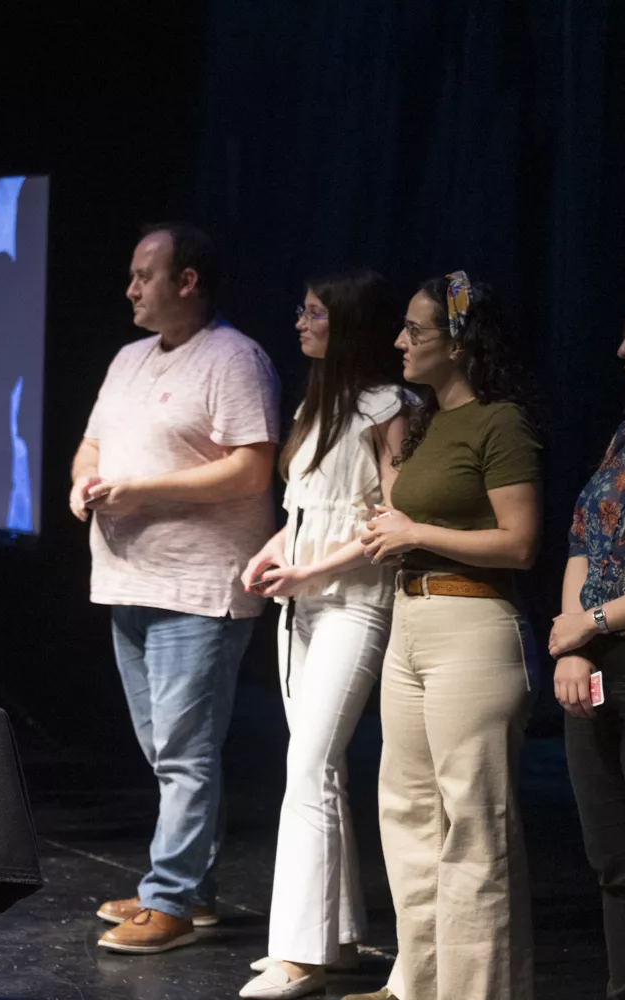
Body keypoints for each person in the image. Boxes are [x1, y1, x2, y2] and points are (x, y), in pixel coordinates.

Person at [77, 222, 279, 956]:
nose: (130, 289)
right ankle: (189, 890)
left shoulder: (234, 358)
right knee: (165, 750)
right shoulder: (129, 357)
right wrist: (83, 482)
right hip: (127, 579)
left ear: (186, 281)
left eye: (144, 275)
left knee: (185, 752)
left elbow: (252, 469)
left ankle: (169, 898)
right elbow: (93, 443)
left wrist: (144, 491)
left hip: (199, 586)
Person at [356, 272, 542, 1000]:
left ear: (458, 344)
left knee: (475, 827)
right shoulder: (429, 422)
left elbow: (520, 543)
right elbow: (411, 515)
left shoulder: (502, 423)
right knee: (406, 814)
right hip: (410, 620)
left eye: (415, 330)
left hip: (472, 626)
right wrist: (393, 532)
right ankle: (418, 986)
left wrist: (416, 531)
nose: (400, 341)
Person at [235, 270, 406, 999]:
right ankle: (332, 940)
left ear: (346, 324)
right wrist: (276, 550)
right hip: (302, 608)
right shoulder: (315, 404)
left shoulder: (389, 408)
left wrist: (313, 572)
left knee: (308, 766)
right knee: (318, 771)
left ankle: (297, 957)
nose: (300, 323)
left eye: (313, 313)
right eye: (301, 310)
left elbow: (390, 525)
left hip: (354, 604)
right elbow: (306, 510)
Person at [551, 289, 625, 1000]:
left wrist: (596, 624)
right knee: (615, 859)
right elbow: (585, 536)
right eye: (624, 330)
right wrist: (574, 644)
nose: (623, 349)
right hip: (601, 661)